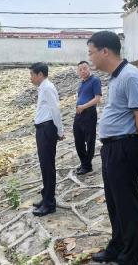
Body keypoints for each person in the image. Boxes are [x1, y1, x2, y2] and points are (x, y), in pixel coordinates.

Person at [87, 31, 138, 265]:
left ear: (105, 51)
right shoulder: (115, 77)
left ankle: (129, 257)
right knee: (115, 203)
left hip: (125, 147)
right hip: (112, 149)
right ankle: (117, 247)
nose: (90, 58)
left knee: (127, 205)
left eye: (91, 52)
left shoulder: (131, 76)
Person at [29, 62, 65, 217]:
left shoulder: (48, 88)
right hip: (42, 129)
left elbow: (55, 110)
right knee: (45, 166)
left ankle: (49, 204)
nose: (31, 78)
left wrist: (60, 130)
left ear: (40, 74)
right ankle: (46, 197)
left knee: (48, 166)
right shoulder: (43, 88)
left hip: (47, 129)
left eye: (32, 75)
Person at [73, 61, 102, 175]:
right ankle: (83, 162)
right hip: (79, 114)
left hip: (89, 113)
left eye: (84, 68)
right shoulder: (81, 83)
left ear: (89, 68)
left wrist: (83, 106)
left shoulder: (95, 80)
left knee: (89, 140)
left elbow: (97, 99)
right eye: (80, 69)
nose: (83, 71)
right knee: (78, 140)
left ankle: (87, 165)